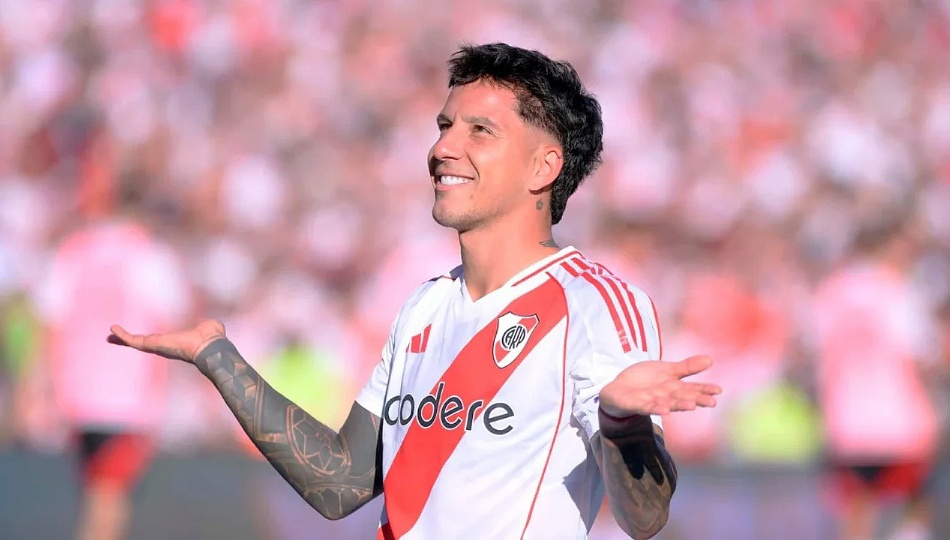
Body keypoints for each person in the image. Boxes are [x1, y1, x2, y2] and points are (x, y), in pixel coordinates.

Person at [108, 43, 721, 540]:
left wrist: (621, 424)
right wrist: (217, 356)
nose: (442, 148)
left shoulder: (594, 303)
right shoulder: (423, 307)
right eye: (445, 126)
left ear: (544, 166)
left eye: (480, 131)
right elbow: (340, 484)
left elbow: (645, 519)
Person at [34, 182, 192, 540]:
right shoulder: (150, 255)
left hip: (76, 396)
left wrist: (44, 386)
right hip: (129, 399)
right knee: (108, 499)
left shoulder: (73, 251)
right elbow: (169, 329)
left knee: (97, 492)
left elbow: (50, 322)